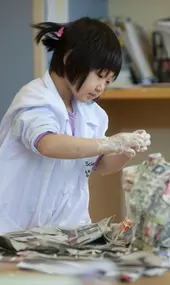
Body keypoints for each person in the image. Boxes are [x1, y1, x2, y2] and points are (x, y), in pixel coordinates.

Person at [0, 17, 151, 233]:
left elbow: (101, 165)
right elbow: (48, 144)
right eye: (99, 76)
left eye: (108, 82)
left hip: (68, 225)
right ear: (70, 58)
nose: (101, 88)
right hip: (16, 224)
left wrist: (126, 149)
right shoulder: (34, 98)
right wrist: (109, 143)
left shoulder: (92, 113)